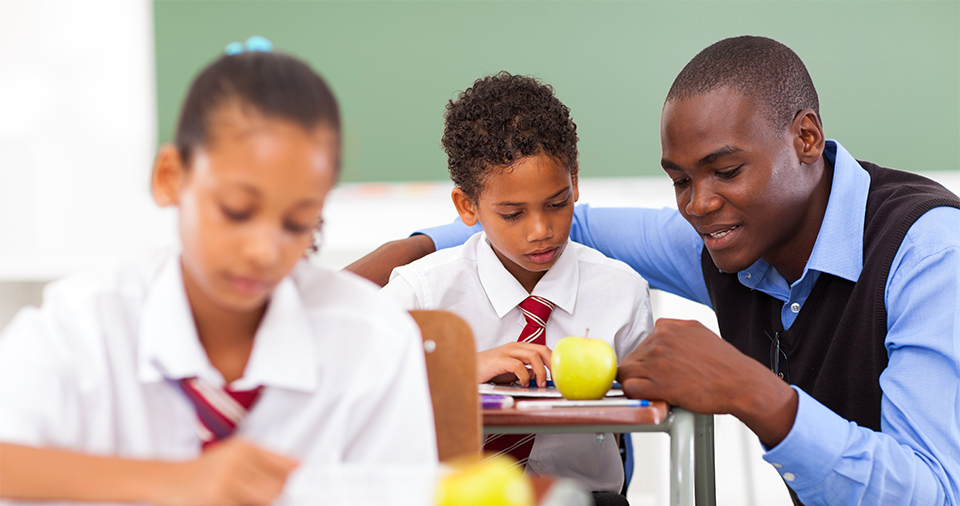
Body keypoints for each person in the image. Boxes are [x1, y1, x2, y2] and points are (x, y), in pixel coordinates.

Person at [347, 36, 960, 505]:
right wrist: (408, 250)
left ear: (805, 138)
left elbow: (936, 492)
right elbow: (570, 228)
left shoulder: (930, 252)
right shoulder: (723, 235)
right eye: (680, 180)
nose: (697, 205)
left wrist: (753, 392)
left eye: (725, 171)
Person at [0, 47, 437, 505]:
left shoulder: (372, 339)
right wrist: (175, 483)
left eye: (298, 223)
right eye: (236, 211)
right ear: (171, 177)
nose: (264, 251)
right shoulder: (87, 324)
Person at [380, 72, 652, 502]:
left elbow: (652, 407)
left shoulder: (623, 293)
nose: (541, 230)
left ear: (575, 181)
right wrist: (461, 371)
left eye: (557, 203)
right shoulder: (422, 294)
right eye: (512, 214)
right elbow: (353, 393)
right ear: (467, 206)